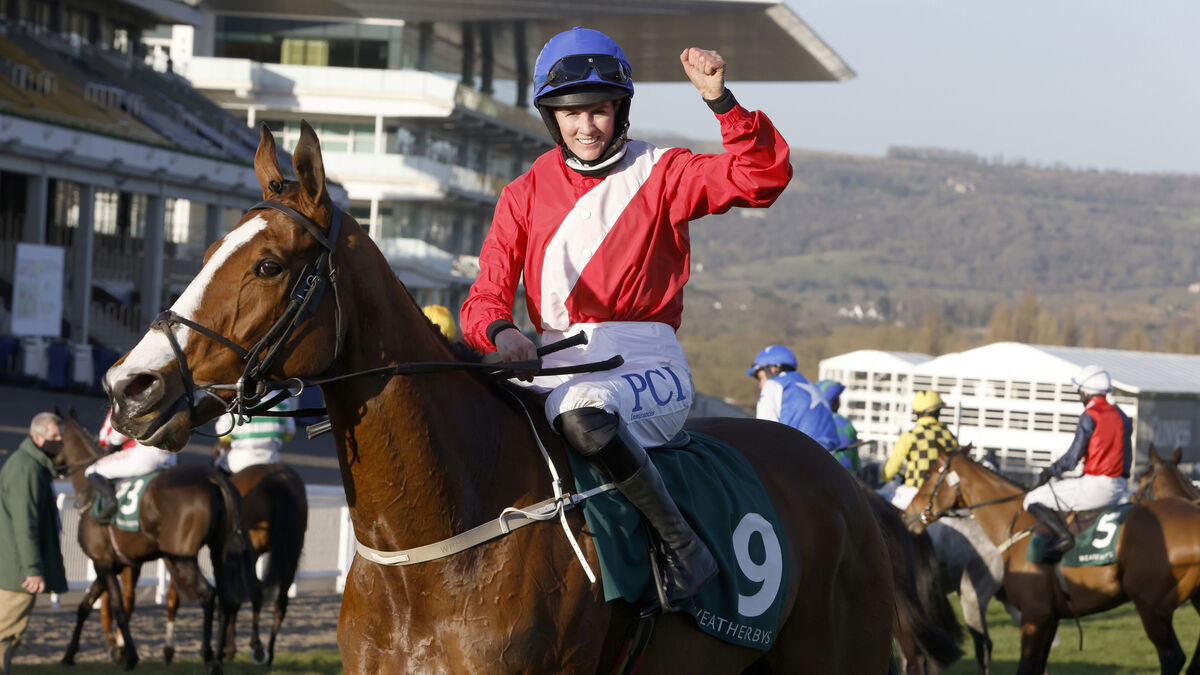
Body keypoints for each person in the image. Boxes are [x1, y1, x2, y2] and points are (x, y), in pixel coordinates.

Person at [460, 27, 792, 608]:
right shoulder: (523, 193)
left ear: (620, 110)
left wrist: (721, 101)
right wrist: (502, 330)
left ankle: (683, 546)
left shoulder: (664, 171)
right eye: (571, 113)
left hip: (646, 362)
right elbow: (485, 295)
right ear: (552, 118)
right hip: (552, 362)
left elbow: (762, 177)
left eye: (599, 110)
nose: (586, 126)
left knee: (581, 414)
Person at [1023, 365, 1131, 558]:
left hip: (1094, 487)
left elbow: (1072, 458)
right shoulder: (1121, 415)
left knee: (1032, 498)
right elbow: (1127, 459)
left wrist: (1050, 471)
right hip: (1120, 487)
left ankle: (1063, 537)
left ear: (1086, 392)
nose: (1080, 396)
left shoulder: (1090, 415)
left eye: (1080, 392)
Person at [0, 413, 67, 673]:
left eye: (61, 435)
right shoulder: (26, 468)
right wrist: (32, 569)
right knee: (5, 633)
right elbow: (24, 524)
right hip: (17, 573)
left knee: (10, 634)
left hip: (15, 569)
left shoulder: (33, 465)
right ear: (37, 438)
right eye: (54, 436)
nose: (60, 441)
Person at [86, 408, 177, 525]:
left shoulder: (128, 401)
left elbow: (116, 437)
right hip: (171, 457)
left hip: (145, 455)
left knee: (92, 470)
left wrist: (110, 449)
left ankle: (110, 502)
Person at [747, 346, 838, 451]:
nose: (760, 385)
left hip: (795, 456)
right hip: (828, 457)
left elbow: (764, 432)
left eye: (761, 378)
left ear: (772, 369)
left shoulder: (773, 385)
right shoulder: (815, 388)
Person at [883, 390, 961, 509]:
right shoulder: (949, 436)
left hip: (914, 493)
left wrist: (883, 478)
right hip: (944, 495)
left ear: (918, 412)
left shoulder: (910, 435)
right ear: (937, 411)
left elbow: (890, 470)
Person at [214, 398, 296, 474]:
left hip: (238, 462)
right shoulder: (283, 400)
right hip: (271, 460)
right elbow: (289, 433)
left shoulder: (235, 399)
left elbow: (223, 434)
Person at [817, 379, 860, 473]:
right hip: (843, 477)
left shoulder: (815, 420)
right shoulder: (846, 425)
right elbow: (855, 464)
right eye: (837, 398)